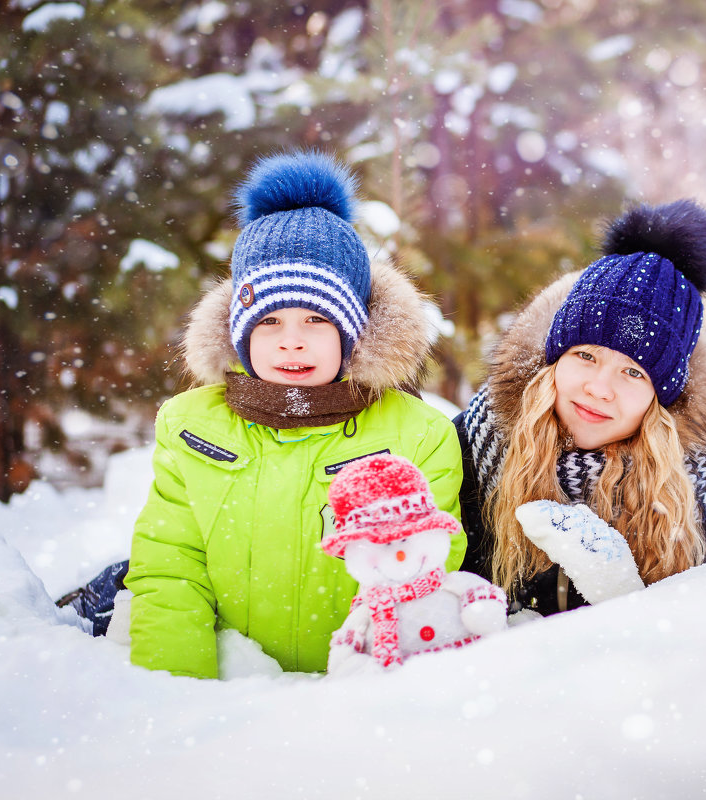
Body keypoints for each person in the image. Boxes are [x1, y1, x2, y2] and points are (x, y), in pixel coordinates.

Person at [59, 151, 464, 678]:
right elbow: (170, 565)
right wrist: (182, 695)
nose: (291, 343)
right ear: (240, 331)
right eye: (269, 320)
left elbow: (423, 575)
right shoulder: (190, 426)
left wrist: (368, 694)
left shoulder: (418, 435)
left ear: (353, 331)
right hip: (230, 695)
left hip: (357, 700)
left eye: (317, 318)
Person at [454, 199, 706, 617]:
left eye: (634, 373)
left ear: (662, 397)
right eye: (585, 356)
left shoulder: (691, 476)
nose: (599, 388)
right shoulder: (477, 447)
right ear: (554, 360)